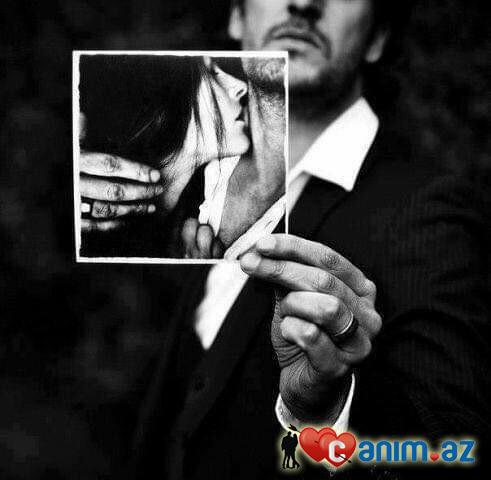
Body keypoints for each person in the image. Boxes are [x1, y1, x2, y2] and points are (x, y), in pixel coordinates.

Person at [83, 1, 489, 479]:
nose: (303, 3)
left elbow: (453, 453)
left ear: (377, 38)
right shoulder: (190, 182)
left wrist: (328, 414)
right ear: (237, 16)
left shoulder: (429, 213)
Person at [78, 54, 251, 257]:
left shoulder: (201, 211)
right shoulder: (90, 230)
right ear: (162, 99)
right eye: (212, 73)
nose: (241, 87)